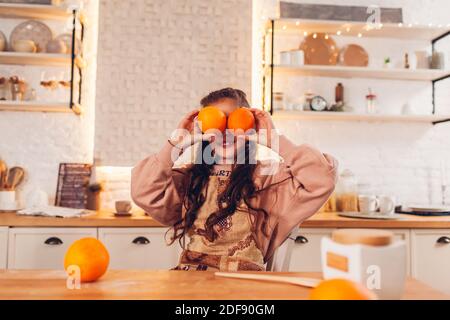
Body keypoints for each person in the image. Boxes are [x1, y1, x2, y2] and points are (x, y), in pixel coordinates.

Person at [131, 88, 338, 271]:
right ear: (202, 130)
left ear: (252, 128)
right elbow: (143, 191)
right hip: (191, 281)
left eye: (235, 121)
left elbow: (322, 178)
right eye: (217, 122)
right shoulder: (189, 178)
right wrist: (175, 144)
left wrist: (276, 140)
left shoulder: (268, 179)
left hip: (246, 285)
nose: (226, 132)